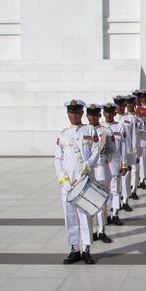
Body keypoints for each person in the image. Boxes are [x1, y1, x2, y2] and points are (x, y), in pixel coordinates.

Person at [55, 99, 100, 265]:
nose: (74, 115)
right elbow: (58, 159)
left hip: (84, 180)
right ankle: (74, 248)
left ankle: (86, 249)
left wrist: (88, 166)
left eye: (77, 112)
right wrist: (63, 180)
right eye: (71, 112)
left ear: (82, 113)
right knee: (70, 216)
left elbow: (96, 151)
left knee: (85, 216)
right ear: (68, 114)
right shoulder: (63, 134)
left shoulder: (90, 131)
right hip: (68, 184)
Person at [86, 103, 113, 243]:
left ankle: (101, 229)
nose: (93, 117)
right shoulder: (83, 131)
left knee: (102, 200)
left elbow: (114, 151)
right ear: (87, 116)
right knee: (90, 201)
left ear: (99, 115)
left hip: (102, 168)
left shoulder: (106, 130)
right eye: (90, 115)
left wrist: (109, 157)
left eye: (95, 115)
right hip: (89, 170)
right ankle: (91, 231)